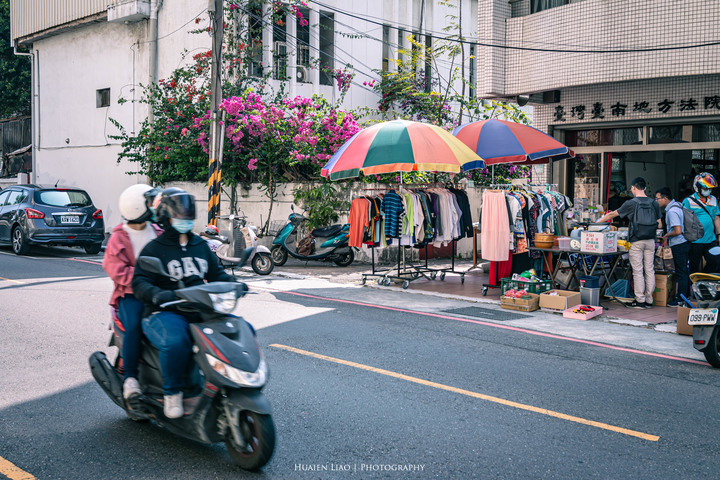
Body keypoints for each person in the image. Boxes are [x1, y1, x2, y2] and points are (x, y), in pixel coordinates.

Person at [131, 188, 235, 419]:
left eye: (188, 217)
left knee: (239, 330)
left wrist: (235, 285)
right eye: (179, 217)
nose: (185, 221)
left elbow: (217, 274)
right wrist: (159, 295)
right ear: (166, 217)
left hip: (200, 309)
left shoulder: (200, 245)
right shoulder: (154, 249)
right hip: (164, 312)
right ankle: (173, 393)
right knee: (176, 341)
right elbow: (140, 283)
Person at [102, 184, 161, 403]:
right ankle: (130, 379)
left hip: (160, 291)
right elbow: (115, 269)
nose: (155, 207)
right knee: (135, 326)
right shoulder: (119, 236)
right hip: (131, 295)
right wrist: (144, 279)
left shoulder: (158, 231)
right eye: (150, 203)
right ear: (138, 208)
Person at [598, 177, 661, 309]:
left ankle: (640, 300)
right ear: (644, 188)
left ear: (633, 188)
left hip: (636, 240)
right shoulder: (654, 203)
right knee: (649, 270)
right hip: (650, 240)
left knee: (638, 271)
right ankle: (649, 300)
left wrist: (596, 223)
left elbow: (612, 215)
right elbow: (659, 223)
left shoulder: (631, 203)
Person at [655, 187, 689, 307]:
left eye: (657, 198)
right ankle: (685, 296)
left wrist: (666, 236)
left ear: (665, 198)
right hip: (684, 243)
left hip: (679, 243)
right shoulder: (678, 206)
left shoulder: (672, 211)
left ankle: (680, 299)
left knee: (681, 272)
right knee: (683, 270)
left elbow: (678, 230)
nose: (656, 201)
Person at [682, 172, 720, 275]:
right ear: (697, 188)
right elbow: (684, 220)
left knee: (714, 262)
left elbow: (716, 218)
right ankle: (694, 287)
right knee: (694, 266)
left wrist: (719, 235)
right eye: (706, 188)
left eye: (710, 189)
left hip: (711, 239)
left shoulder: (713, 200)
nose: (708, 191)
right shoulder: (688, 201)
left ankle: (705, 280)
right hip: (695, 241)